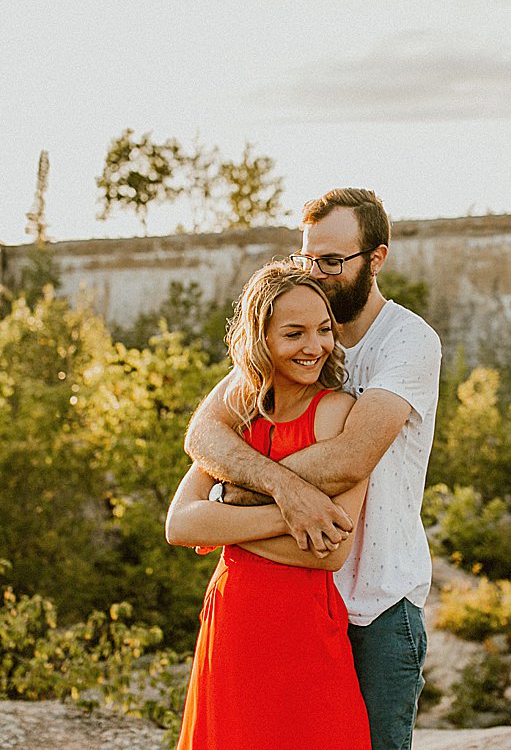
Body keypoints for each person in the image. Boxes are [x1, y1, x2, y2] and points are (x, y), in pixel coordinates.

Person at [184, 188, 442, 750]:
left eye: (331, 262)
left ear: (376, 258)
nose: (317, 274)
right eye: (308, 260)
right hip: (294, 606)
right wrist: (282, 491)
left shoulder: (408, 341)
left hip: (374, 605)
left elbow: (351, 457)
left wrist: (232, 506)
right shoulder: (290, 336)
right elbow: (203, 434)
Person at [165, 262, 372, 749]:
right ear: (261, 339)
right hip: (234, 623)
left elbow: (331, 550)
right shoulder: (241, 413)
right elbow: (181, 522)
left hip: (303, 628)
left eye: (323, 330)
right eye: (294, 333)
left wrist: (229, 520)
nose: (314, 346)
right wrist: (292, 509)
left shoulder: (338, 413)